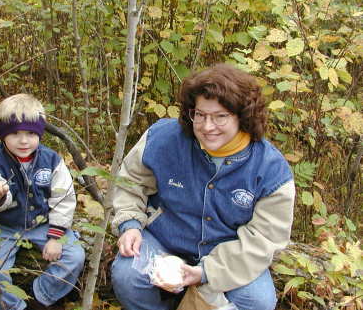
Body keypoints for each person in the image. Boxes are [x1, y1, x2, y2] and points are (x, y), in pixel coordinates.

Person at [110, 63, 296, 310]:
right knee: (127, 276)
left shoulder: (271, 169)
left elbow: (264, 239)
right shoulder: (163, 139)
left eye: (220, 116)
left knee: (258, 302)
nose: (207, 127)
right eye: (200, 114)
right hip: (164, 239)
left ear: (242, 116)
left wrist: (206, 272)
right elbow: (130, 182)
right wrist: (130, 224)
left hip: (229, 254)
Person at [0, 94, 85, 310]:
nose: (23, 141)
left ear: (39, 134)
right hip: (4, 227)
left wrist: (55, 236)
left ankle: (39, 297)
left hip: (42, 224)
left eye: (31, 133)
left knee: (75, 256)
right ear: (2, 134)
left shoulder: (51, 160)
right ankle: (14, 307)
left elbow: (64, 198)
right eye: (14, 133)